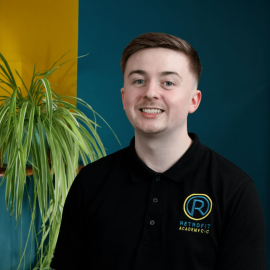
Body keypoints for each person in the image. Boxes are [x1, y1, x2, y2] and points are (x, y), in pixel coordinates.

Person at [50, 32, 266, 270]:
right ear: (124, 97)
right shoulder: (90, 183)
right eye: (139, 81)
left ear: (194, 100)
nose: (151, 93)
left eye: (168, 83)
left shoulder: (235, 190)